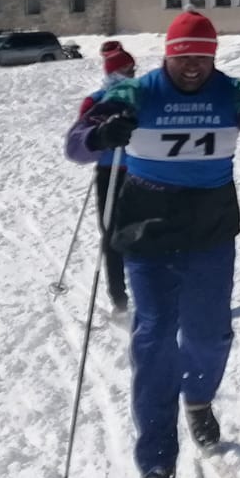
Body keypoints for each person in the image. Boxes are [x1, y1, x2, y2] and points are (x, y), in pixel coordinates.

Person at [65, 11, 240, 478]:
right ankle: (156, 459)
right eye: (182, 57)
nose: (192, 66)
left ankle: (197, 400)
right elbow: (75, 147)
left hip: (210, 228)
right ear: (167, 56)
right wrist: (99, 136)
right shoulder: (135, 93)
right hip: (148, 227)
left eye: (202, 57)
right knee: (154, 337)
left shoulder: (237, 94)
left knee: (210, 335)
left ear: (213, 56)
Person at [76, 40, 139, 312]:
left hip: (140, 170)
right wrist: (102, 135)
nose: (131, 74)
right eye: (126, 70)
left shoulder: (139, 96)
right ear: (113, 72)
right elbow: (82, 136)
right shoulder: (96, 100)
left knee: (143, 233)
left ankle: (148, 293)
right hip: (109, 171)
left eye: (133, 69)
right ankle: (119, 297)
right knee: (112, 234)